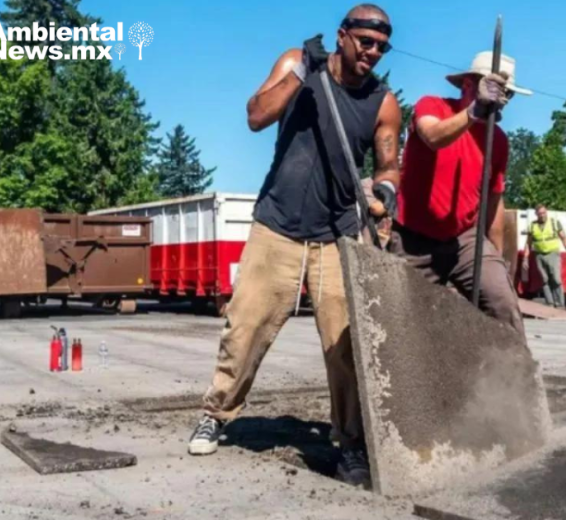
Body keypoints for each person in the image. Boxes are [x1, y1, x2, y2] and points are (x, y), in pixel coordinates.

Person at [186, 4, 403, 490]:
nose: (372, 53)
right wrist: (302, 72)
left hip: (338, 235)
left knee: (346, 346)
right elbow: (255, 116)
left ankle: (350, 444)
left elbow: (390, 165)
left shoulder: (383, 102)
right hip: (277, 225)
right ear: (343, 36)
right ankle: (215, 414)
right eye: (365, 42)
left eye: (381, 48)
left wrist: (384, 193)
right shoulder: (297, 65)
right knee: (244, 329)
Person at [390, 51, 532, 338]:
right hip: (413, 239)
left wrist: (499, 258)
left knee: (501, 303)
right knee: (403, 324)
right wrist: (474, 111)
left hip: (464, 240)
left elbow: (493, 202)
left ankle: (513, 378)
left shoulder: (498, 140)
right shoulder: (432, 105)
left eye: (506, 94)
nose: (500, 98)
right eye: (493, 88)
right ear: (468, 84)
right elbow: (432, 137)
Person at [523, 204, 566, 309]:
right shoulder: (532, 226)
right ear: (536, 214)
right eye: (540, 213)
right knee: (544, 280)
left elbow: (564, 238)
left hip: (553, 254)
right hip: (539, 255)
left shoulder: (554, 223)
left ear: (546, 212)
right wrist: (525, 259)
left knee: (556, 279)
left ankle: (560, 304)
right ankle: (550, 304)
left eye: (544, 213)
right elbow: (528, 244)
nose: (542, 215)